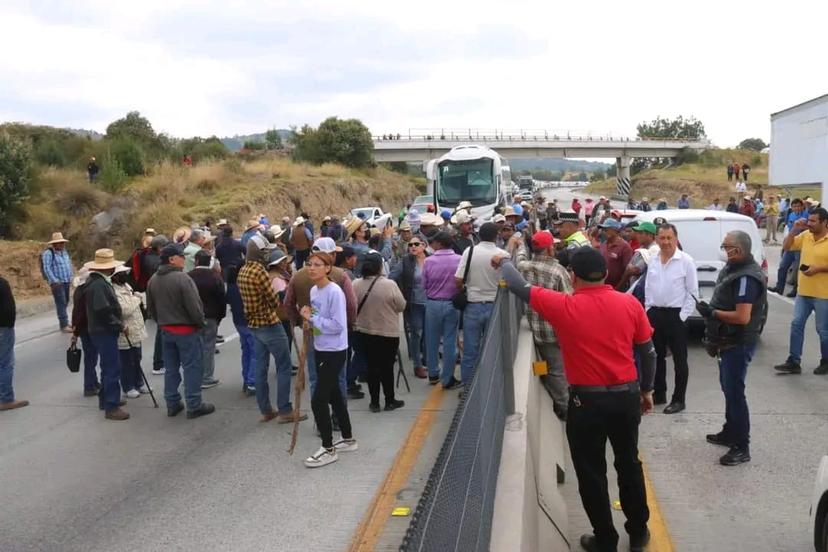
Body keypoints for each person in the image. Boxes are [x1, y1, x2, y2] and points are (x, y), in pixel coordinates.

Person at [494, 247, 656, 552]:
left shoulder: (563, 305)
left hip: (586, 403)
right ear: (606, 274)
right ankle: (638, 532)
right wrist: (646, 390)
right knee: (628, 463)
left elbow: (517, 284)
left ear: (573, 276)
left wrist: (503, 260)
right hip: (626, 396)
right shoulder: (629, 303)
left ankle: (605, 538)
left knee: (591, 471)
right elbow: (648, 351)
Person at [695, 230, 767, 466]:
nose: (724, 251)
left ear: (740, 249)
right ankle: (730, 431)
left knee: (735, 393)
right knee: (727, 388)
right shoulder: (733, 268)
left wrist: (713, 313)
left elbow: (742, 316)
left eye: (727, 247)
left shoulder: (747, 277)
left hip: (737, 342)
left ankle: (741, 446)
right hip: (726, 341)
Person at [300, 249, 358, 468]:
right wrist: (310, 322)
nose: (311, 268)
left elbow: (337, 326)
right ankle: (348, 438)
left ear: (327, 268)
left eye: (317, 264)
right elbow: (319, 321)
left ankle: (328, 447)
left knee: (318, 399)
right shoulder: (315, 291)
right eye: (309, 264)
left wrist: (312, 317)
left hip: (335, 350)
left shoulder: (334, 291)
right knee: (334, 395)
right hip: (321, 347)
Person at [238, 235, 305, 423]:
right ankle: (285, 410)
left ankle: (266, 410)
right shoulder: (260, 271)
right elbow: (274, 300)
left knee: (261, 368)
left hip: (254, 325)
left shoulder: (243, 270)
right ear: (260, 254)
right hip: (269, 323)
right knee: (284, 366)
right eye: (266, 252)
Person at [146, 243, 214, 419]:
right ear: (172, 259)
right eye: (181, 256)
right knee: (192, 367)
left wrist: (161, 322)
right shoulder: (182, 278)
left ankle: (172, 402)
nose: (184, 259)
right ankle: (194, 404)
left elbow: (151, 308)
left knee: (171, 368)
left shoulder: (153, 279)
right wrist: (200, 323)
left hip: (166, 330)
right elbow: (194, 306)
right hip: (186, 330)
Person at [516, 230, 573, 419]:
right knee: (558, 369)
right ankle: (565, 407)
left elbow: (519, 258)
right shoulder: (557, 271)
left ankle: (556, 400)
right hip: (556, 329)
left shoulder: (523, 267)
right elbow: (569, 301)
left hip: (536, 328)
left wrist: (517, 244)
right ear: (550, 249)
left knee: (545, 366)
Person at [645, 224, 698, 414]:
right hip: (655, 314)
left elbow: (693, 293)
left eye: (669, 238)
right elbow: (649, 287)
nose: (665, 242)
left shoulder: (686, 261)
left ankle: (679, 399)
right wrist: (648, 309)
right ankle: (660, 393)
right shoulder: (653, 259)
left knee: (680, 360)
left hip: (677, 316)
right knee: (656, 356)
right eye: (662, 238)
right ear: (657, 239)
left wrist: (682, 317)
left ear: (676, 239)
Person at [774, 208, 828, 376]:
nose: (809, 223)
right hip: (803, 291)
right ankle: (793, 361)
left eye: (813, 221)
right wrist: (795, 230)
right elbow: (787, 246)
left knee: (823, 330)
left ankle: (825, 361)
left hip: (823, 294)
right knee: (796, 324)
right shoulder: (805, 236)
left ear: (824, 222)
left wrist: (819, 268)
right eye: (808, 220)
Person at [455, 223, 508, 384]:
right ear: (496, 236)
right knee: (493, 349)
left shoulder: (469, 251)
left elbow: (458, 279)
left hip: (473, 306)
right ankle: (490, 384)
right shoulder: (503, 255)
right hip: (494, 305)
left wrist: (466, 288)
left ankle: (467, 386)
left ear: (479, 235)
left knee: (470, 350)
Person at [353, 252, 407, 412]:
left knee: (371, 367)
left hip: (364, 331)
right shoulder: (389, 284)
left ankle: (374, 402)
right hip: (387, 333)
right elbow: (401, 305)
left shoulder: (356, 284)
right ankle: (389, 400)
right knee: (387, 367)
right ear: (379, 266)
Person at [83, 249, 128, 421]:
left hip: (100, 330)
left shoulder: (96, 282)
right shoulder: (99, 285)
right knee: (112, 368)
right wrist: (119, 325)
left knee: (107, 367)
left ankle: (106, 399)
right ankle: (111, 405)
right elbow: (103, 310)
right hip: (105, 331)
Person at [423, 231, 462, 388]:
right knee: (450, 341)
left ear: (439, 244)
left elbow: (424, 284)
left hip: (432, 303)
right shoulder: (459, 260)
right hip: (452, 303)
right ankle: (447, 378)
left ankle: (433, 373)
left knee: (431, 340)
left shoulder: (428, 261)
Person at [390, 232, 429, 379]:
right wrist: (399, 294)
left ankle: (427, 360)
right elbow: (391, 277)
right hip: (413, 304)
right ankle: (417, 366)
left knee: (428, 333)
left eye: (416, 244)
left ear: (423, 246)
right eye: (410, 244)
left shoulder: (431, 259)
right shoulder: (405, 262)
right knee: (416, 333)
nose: (412, 246)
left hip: (430, 302)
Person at [189, 250, 226, 389]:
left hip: (193, 317)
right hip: (211, 316)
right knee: (208, 347)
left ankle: (194, 376)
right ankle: (207, 377)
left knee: (194, 347)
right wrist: (220, 317)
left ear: (196, 261)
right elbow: (222, 299)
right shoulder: (216, 277)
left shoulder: (188, 276)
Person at [225, 265, 257, 396]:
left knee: (246, 351)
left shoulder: (231, 288)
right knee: (255, 352)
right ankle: (252, 381)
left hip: (238, 321)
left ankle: (247, 378)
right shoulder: (244, 286)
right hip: (248, 321)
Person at [0, 276, 28, 411]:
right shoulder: (2, 283)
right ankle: (6, 398)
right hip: (3, 328)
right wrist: (9, 324)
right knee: (5, 363)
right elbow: (7, 308)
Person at [771, 198, 808, 296]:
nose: (796, 208)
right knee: (783, 266)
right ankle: (779, 288)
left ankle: (796, 290)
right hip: (791, 243)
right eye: (794, 206)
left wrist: (800, 227)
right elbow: (788, 227)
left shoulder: (806, 214)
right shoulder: (791, 214)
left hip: (800, 244)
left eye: (798, 206)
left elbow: (809, 227)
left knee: (797, 269)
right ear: (792, 207)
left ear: (802, 206)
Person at [42, 232, 74, 333]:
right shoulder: (48, 253)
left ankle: (65, 321)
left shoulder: (64, 252)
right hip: (57, 283)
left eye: (62, 242)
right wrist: (54, 280)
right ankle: (64, 325)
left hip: (66, 281)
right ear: (54, 244)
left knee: (66, 301)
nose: (61, 244)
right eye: (59, 243)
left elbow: (68, 264)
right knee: (61, 303)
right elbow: (47, 268)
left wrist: (71, 276)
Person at [598, 219, 634, 289]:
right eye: (603, 230)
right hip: (603, 287)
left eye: (606, 229)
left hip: (617, 288)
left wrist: (618, 288)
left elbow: (627, 272)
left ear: (615, 230)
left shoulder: (625, 247)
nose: (604, 232)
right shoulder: (603, 245)